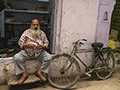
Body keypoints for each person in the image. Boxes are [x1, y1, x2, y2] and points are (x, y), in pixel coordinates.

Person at [13, 19, 52, 84]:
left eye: (37, 24)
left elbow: (46, 42)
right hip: (27, 53)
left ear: (39, 25)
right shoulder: (26, 32)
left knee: (49, 58)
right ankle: (24, 74)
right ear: (31, 25)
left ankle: (39, 72)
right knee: (16, 58)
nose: (35, 26)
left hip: (39, 53)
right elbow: (20, 43)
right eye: (34, 24)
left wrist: (43, 46)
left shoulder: (42, 33)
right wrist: (28, 45)